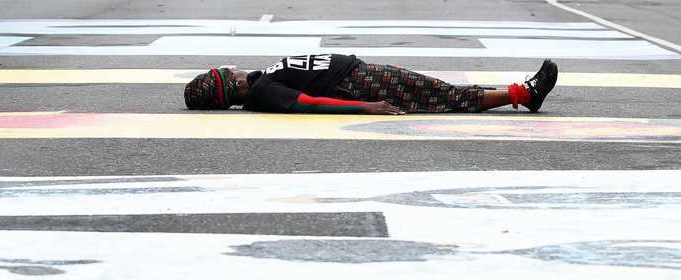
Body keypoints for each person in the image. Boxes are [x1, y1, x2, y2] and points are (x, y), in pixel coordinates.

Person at [184, 54, 557, 115]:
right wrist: (367, 106)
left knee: (439, 90)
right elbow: (309, 102)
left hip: (358, 74)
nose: (234, 72)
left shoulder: (260, 81)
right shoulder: (264, 93)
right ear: (228, 87)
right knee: (443, 97)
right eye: (227, 75)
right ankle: (525, 94)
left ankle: (522, 92)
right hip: (357, 86)